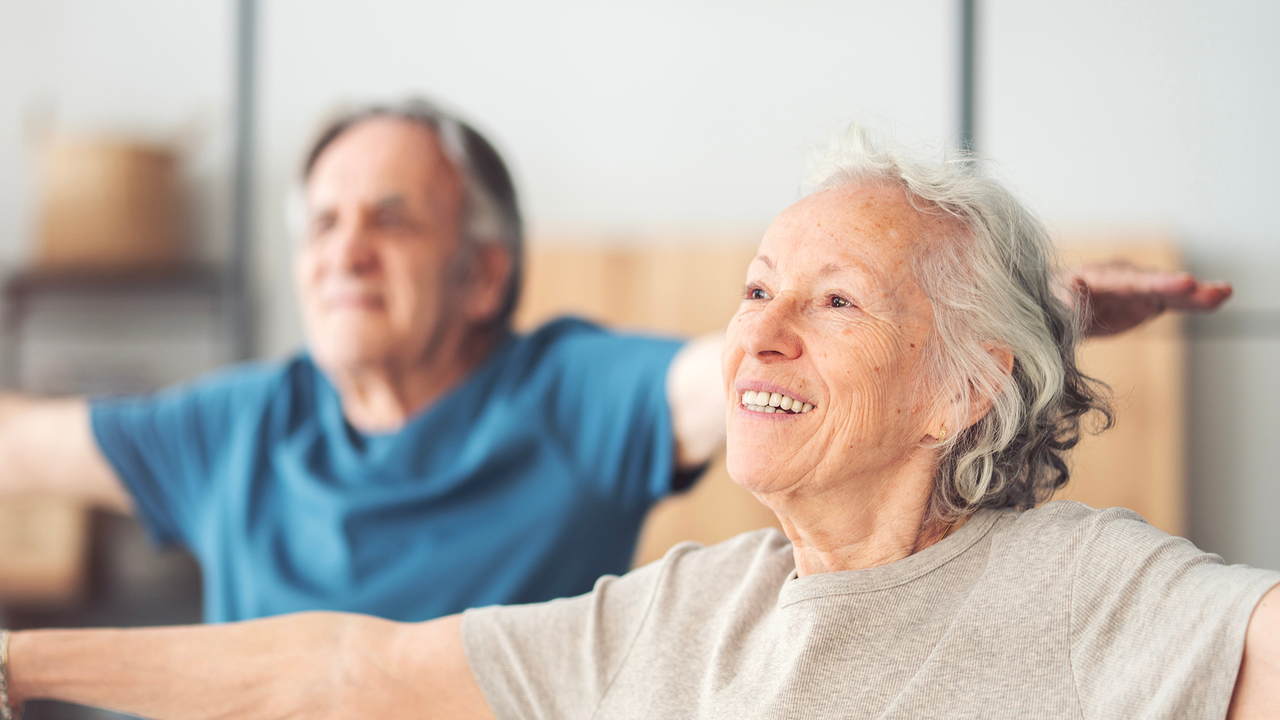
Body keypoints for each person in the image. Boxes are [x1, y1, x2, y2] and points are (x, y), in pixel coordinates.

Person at [2, 126, 1274, 720]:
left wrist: (1028, 322)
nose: (759, 334)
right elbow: (347, 668)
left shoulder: (1084, 589)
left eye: (832, 300)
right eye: (752, 291)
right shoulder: (679, 616)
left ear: (960, 389)